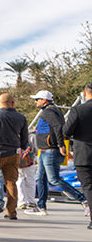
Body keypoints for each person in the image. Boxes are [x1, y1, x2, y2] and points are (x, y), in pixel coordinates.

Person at [26, 89, 87, 215]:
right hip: (44, 151)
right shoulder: (51, 111)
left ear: (44, 100)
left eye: (37, 99)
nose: (36, 102)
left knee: (54, 179)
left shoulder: (49, 112)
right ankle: (41, 206)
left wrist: (61, 145)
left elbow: (59, 128)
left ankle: (84, 200)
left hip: (50, 151)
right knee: (40, 178)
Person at [64, 82, 92, 228]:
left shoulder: (78, 110)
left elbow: (67, 131)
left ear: (85, 93)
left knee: (88, 186)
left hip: (84, 154)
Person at [16, 131, 38, 209]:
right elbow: (35, 149)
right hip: (30, 162)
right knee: (31, 181)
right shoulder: (31, 136)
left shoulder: (15, 135)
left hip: (18, 162)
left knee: (19, 181)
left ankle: (22, 202)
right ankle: (31, 201)